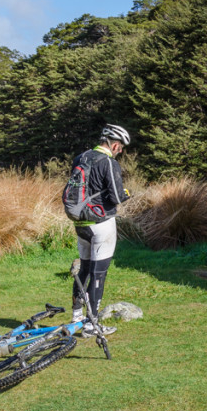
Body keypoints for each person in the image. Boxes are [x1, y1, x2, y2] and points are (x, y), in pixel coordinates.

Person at [70, 124, 132, 336]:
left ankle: (76, 318)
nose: (121, 150)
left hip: (80, 223)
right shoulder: (108, 162)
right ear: (114, 144)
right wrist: (126, 193)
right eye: (121, 146)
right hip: (102, 224)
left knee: (84, 270)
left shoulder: (81, 157)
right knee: (99, 274)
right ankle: (91, 325)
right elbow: (116, 196)